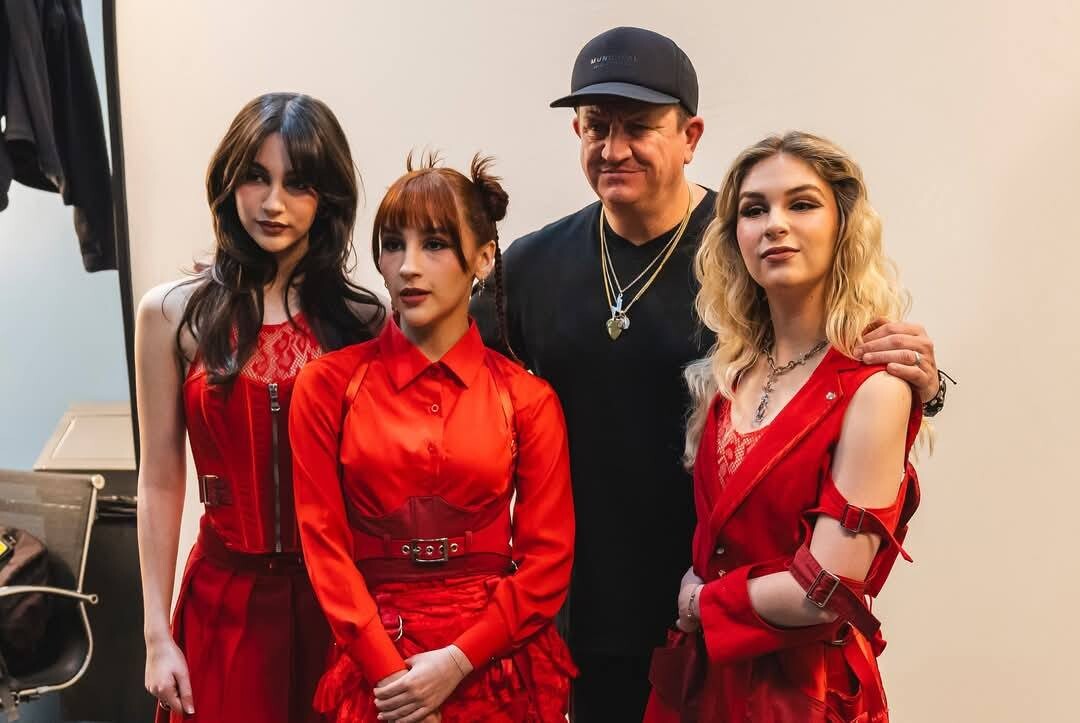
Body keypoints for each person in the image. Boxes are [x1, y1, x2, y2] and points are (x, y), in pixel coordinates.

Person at [472, 26, 946, 721]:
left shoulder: (747, 247)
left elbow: (835, 365)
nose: (613, 148)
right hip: (589, 612)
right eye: (596, 126)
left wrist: (924, 387)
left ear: (690, 136)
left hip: (727, 619)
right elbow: (452, 378)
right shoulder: (533, 266)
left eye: (639, 127)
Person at [646, 131, 924, 722]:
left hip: (802, 695)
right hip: (703, 684)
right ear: (734, 239)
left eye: (801, 204)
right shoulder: (728, 375)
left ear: (842, 226)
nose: (775, 224)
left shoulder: (875, 386)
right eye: (754, 210)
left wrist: (700, 601)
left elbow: (825, 590)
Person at [290, 154, 576, 723]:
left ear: (484, 258)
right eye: (393, 245)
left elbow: (548, 559)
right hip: (378, 661)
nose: (408, 267)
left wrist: (458, 662)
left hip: (493, 660)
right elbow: (324, 548)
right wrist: (391, 677)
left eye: (436, 245)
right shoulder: (327, 386)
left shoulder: (527, 398)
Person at [135, 92, 384, 722]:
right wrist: (157, 635)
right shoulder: (170, 314)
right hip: (224, 603)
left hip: (340, 607)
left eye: (297, 183)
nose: (273, 203)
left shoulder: (366, 321)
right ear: (229, 181)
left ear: (327, 198)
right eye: (256, 176)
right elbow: (160, 479)